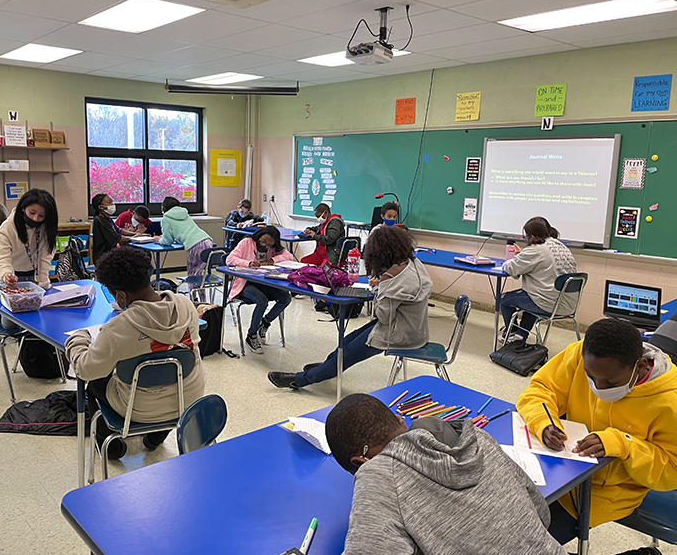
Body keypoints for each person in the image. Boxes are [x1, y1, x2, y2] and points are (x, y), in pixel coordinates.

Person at [325, 394, 566, 555]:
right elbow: (542, 514)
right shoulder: (476, 437)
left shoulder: (378, 474)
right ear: (400, 420)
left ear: (360, 462)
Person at [517, 318, 677, 545]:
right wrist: (545, 422)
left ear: (640, 366)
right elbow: (540, 390)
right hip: (554, 471)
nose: (599, 389)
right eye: (590, 378)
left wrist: (623, 444)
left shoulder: (670, 401)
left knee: (523, 544)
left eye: (611, 383)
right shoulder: (582, 354)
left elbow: (672, 470)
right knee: (491, 517)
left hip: (600, 497)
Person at [66, 247, 205, 459]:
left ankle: (111, 448)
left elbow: (85, 370)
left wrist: (77, 339)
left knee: (95, 382)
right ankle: (154, 438)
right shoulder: (185, 304)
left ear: (120, 296)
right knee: (166, 370)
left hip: (139, 409)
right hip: (188, 398)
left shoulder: (119, 328)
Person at [268, 225, 431, 389]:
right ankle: (326, 366)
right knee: (347, 341)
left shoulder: (393, 279)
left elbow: (383, 316)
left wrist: (378, 287)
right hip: (412, 327)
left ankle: (300, 380)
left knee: (347, 354)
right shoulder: (412, 263)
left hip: (400, 334)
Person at [500, 216, 577, 343]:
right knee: (532, 296)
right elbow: (542, 262)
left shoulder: (536, 250)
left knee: (504, 299)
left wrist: (517, 258)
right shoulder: (561, 246)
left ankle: (511, 332)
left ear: (532, 236)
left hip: (548, 304)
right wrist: (523, 255)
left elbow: (510, 268)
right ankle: (520, 335)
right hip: (569, 305)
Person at [226, 226, 293, 354]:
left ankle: (265, 323)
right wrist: (248, 263)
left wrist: (273, 260)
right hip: (245, 283)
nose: (265, 244)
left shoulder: (272, 248)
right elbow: (230, 259)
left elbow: (288, 256)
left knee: (286, 297)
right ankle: (251, 335)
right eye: (264, 240)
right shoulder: (247, 242)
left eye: (269, 243)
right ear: (259, 235)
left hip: (263, 282)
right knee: (262, 300)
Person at [0, 188, 58, 290]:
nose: (35, 219)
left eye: (41, 215)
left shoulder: (46, 227)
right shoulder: (8, 227)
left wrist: (43, 281)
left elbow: (45, 257)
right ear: (23, 208)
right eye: (32, 212)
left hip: (35, 277)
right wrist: (6, 275)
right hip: (13, 278)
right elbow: (1, 258)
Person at [157, 196, 213, 281]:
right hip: (207, 241)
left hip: (195, 245)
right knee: (200, 275)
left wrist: (159, 239)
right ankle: (201, 294)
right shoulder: (184, 214)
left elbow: (167, 241)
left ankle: (192, 294)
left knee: (192, 276)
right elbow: (185, 232)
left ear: (164, 207)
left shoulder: (166, 218)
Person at [91, 193, 131, 263]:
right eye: (109, 202)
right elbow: (118, 239)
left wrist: (136, 234)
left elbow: (119, 231)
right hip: (104, 258)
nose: (112, 204)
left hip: (110, 255)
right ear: (101, 207)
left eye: (112, 202)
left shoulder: (108, 219)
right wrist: (134, 239)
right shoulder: (100, 220)